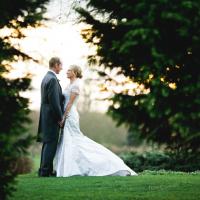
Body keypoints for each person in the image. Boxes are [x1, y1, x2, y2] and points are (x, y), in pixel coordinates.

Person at [54, 65, 137, 177]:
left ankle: (103, 163)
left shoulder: (76, 86)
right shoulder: (69, 84)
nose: (66, 72)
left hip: (70, 115)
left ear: (75, 72)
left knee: (75, 140)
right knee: (69, 141)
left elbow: (70, 103)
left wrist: (63, 117)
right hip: (67, 113)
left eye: (69, 70)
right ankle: (69, 168)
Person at [37, 57, 64, 177]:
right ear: (56, 65)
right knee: (51, 142)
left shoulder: (45, 77)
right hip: (52, 117)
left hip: (45, 115)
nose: (62, 68)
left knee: (47, 142)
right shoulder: (52, 79)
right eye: (61, 65)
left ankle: (44, 169)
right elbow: (54, 102)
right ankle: (45, 171)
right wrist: (59, 118)